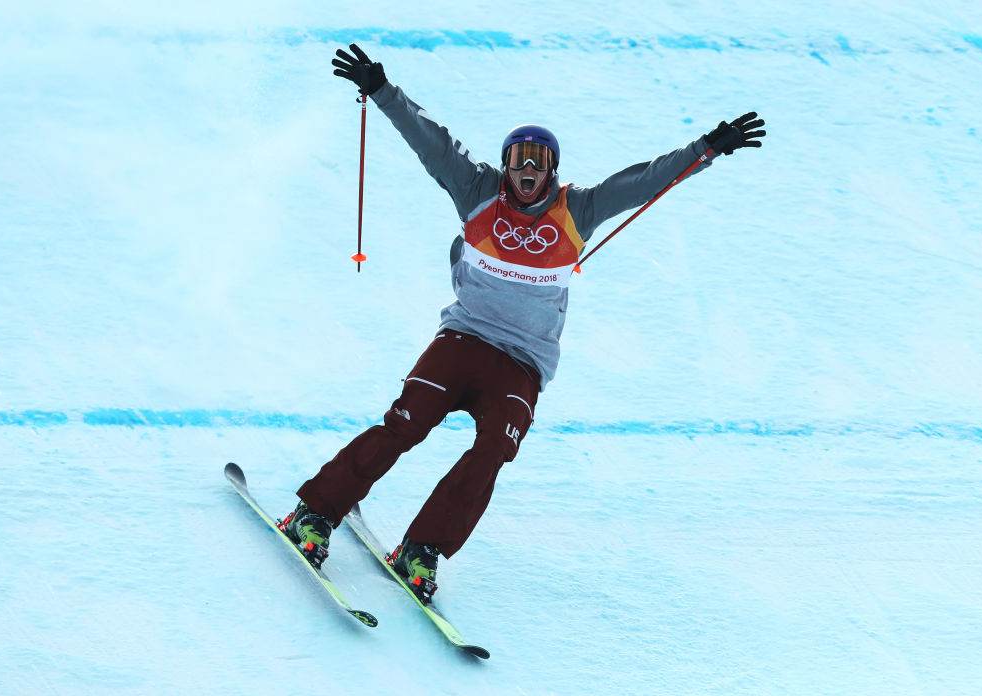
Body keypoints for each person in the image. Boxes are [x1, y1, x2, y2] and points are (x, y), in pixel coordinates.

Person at [280, 43, 766, 603]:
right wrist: (383, 90)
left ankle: (422, 550)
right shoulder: (476, 190)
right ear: (505, 164)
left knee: (492, 453)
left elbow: (644, 181)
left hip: (523, 363)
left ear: (552, 170)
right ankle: (313, 515)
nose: (527, 170)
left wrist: (707, 149)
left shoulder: (576, 210)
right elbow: (429, 140)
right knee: (406, 425)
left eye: (538, 161)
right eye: (518, 159)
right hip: (462, 340)